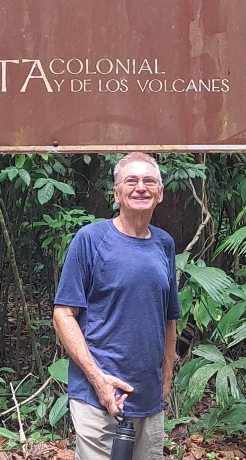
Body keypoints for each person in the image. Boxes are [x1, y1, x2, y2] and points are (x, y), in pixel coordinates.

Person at [53, 153, 181, 460]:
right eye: (131, 181)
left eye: (149, 181)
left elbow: (168, 318)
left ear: (160, 193)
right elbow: (63, 314)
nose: (141, 187)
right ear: (116, 193)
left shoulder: (164, 244)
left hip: (148, 399)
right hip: (97, 396)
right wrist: (97, 379)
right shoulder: (90, 240)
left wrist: (166, 375)